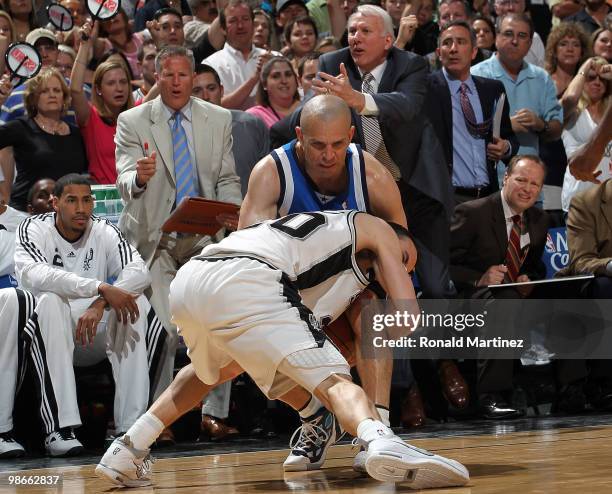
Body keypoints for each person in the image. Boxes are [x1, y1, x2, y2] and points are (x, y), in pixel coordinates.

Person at [96, 210, 470, 489]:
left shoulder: (321, 244)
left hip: (194, 278)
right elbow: (406, 316)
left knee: (212, 370)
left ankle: (128, 448)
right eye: (403, 263)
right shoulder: (379, 229)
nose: (395, 274)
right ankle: (378, 438)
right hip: (253, 278)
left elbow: (285, 329)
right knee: (336, 379)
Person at [241, 94, 416, 470]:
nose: (327, 155)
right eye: (317, 145)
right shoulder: (271, 172)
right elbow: (250, 258)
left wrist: (394, 286)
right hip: (293, 291)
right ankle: (315, 419)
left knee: (373, 313)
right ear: (300, 135)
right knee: (250, 338)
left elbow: (403, 248)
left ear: (352, 135)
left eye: (338, 144)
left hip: (351, 285)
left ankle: (378, 430)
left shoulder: (370, 172)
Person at [115, 46, 242, 404]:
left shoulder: (218, 118)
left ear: (192, 78)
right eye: (167, 74)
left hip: (205, 235)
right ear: (157, 78)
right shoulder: (133, 121)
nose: (175, 81)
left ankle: (214, 414)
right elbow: (124, 178)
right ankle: (159, 414)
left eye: (182, 74)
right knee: (168, 329)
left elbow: (227, 178)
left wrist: (232, 210)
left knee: (220, 320)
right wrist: (138, 179)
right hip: (157, 238)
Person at [12, 174, 163, 456]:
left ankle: (130, 428)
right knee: (52, 301)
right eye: (72, 200)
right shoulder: (32, 228)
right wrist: (99, 287)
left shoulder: (104, 229)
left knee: (137, 303)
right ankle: (60, 427)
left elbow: (138, 271)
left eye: (86, 200)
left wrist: (100, 302)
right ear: (55, 203)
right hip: (45, 335)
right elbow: (34, 275)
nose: (81, 208)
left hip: (92, 330)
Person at [311, 5, 453, 300]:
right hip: (367, 197)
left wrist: (358, 99)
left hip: (417, 190)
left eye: (365, 31)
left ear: (388, 40)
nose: (355, 38)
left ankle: (442, 345)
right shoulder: (332, 62)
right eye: (351, 31)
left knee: (437, 288)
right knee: (372, 289)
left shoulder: (411, 64)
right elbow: (321, 115)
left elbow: (406, 106)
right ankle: (383, 345)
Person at [450, 155, 549, 419]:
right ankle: (490, 395)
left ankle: (574, 389)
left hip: (512, 295)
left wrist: (527, 277)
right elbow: (442, 265)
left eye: (535, 184)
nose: (527, 189)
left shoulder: (539, 220)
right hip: (468, 297)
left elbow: (535, 266)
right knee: (505, 299)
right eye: (521, 180)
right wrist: (478, 278)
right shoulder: (473, 212)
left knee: (566, 295)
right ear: (505, 178)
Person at [426, 20, 517, 205]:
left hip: (487, 197)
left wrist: (505, 147)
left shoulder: (493, 89)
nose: (453, 48)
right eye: (447, 43)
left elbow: (511, 138)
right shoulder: (425, 89)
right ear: (438, 53)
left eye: (461, 42)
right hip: (445, 200)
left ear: (474, 51)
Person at [472, 13, 563, 158]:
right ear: (496, 37)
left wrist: (540, 124)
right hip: (486, 173)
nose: (514, 41)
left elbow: (556, 129)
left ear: (530, 43)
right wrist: (506, 126)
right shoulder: (475, 75)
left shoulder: (541, 78)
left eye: (522, 35)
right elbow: (463, 128)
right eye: (508, 34)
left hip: (528, 175)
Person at [0, 67, 87, 211]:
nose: (52, 95)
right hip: (24, 214)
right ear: (33, 98)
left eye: (57, 90)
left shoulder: (76, 133)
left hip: (66, 216)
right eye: (44, 91)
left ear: (64, 98)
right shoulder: (21, 127)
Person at [71, 21, 135, 185]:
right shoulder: (90, 118)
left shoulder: (137, 113)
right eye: (111, 83)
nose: (119, 88)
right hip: (104, 198)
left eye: (123, 82)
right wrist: (84, 45)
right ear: (98, 89)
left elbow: (164, 83)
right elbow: (76, 90)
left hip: (138, 195)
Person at [195, 64, 270, 196]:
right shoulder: (181, 136)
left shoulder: (250, 125)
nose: (206, 96)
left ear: (222, 90)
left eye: (211, 88)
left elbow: (270, 176)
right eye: (197, 91)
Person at [561, 57, 611, 211]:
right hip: (579, 196)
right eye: (591, 77)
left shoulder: (609, 113)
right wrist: (586, 64)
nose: (597, 82)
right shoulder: (573, 111)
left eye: (602, 79)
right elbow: (570, 98)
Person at [203, 0, 272, 110]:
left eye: (245, 19)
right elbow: (214, 107)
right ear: (223, 29)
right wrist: (254, 79)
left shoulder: (273, 58)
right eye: (233, 21)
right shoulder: (211, 65)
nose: (240, 26)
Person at [246, 57, 301, 127]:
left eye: (288, 74)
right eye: (276, 76)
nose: (284, 81)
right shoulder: (254, 116)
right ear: (264, 84)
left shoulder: (307, 107)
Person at [98, 8, 146, 80]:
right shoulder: (103, 44)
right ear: (102, 24)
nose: (112, 16)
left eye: (115, 11)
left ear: (124, 16)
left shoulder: (141, 37)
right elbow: (89, 41)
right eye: (106, 15)